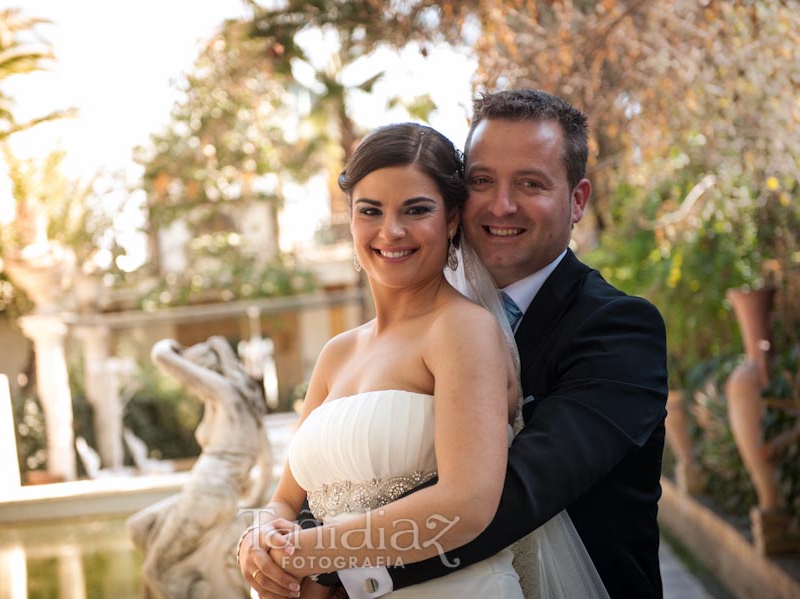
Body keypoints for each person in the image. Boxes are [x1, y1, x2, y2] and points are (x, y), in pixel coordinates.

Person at [241, 89, 668, 599]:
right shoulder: (358, 343)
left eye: (530, 183)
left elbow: (510, 497)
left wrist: (323, 565)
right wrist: (263, 539)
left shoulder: (618, 328)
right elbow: (323, 484)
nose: (500, 204)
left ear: (577, 201)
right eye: (482, 181)